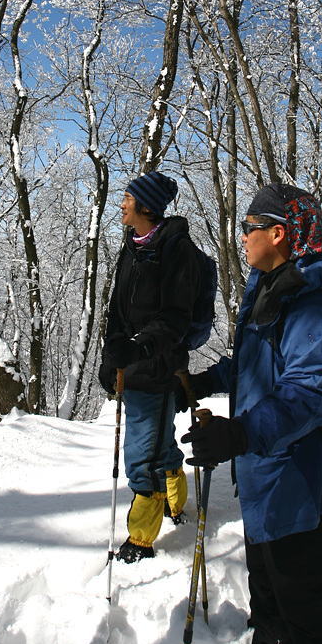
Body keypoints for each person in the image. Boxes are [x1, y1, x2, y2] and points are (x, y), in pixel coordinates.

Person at [180, 182, 322, 644]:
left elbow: (312, 392)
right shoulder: (270, 287)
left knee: (310, 598)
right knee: (273, 582)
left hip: (307, 479)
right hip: (268, 470)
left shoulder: (314, 299)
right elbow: (253, 364)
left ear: (278, 233)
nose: (240, 237)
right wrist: (203, 382)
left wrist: (240, 433)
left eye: (248, 227)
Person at [99, 171, 201, 563]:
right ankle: (175, 503)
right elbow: (116, 310)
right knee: (157, 443)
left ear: (145, 207)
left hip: (157, 368)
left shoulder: (176, 251)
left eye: (127, 198)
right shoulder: (134, 245)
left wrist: (137, 348)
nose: (121, 204)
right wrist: (111, 358)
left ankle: (141, 537)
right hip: (133, 365)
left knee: (142, 455)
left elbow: (176, 319)